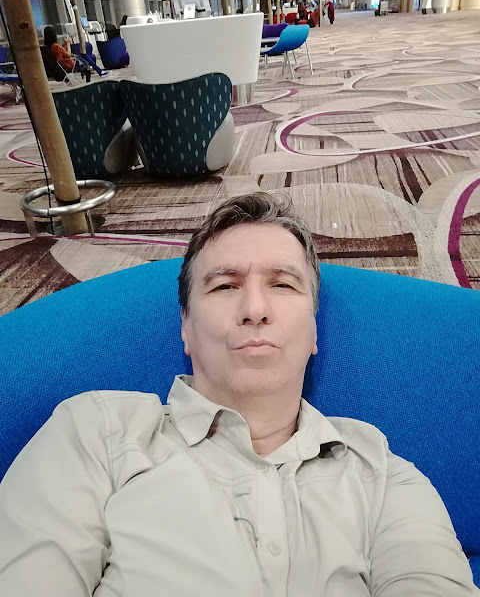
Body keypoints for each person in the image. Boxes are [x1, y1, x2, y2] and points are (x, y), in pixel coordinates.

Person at [0, 192, 478, 596]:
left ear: (314, 332)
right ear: (185, 328)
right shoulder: (95, 433)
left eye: (283, 284)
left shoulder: (382, 475)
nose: (254, 308)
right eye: (225, 286)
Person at [43, 25, 108, 78]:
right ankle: (99, 71)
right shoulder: (56, 46)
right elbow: (68, 55)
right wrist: (68, 44)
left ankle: (99, 71)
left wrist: (64, 45)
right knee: (85, 56)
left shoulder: (51, 47)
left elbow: (61, 54)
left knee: (88, 56)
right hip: (70, 65)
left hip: (63, 66)